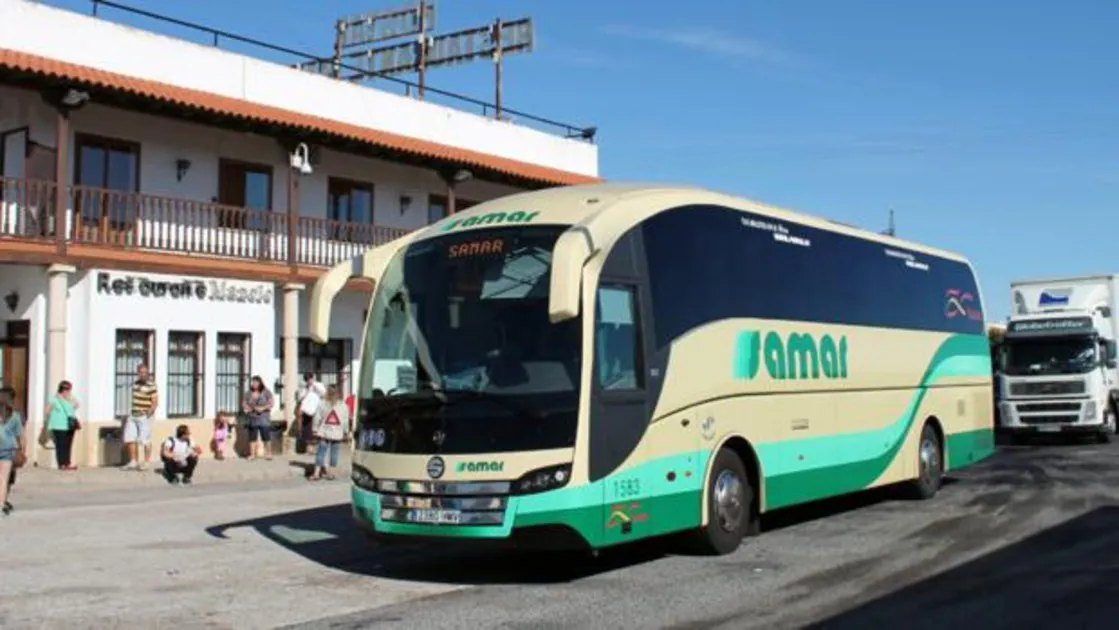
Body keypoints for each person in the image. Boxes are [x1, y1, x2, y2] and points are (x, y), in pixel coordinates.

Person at [310, 386, 350, 481]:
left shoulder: (323, 403)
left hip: (325, 433)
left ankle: (316, 474)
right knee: (334, 454)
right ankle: (330, 473)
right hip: (337, 434)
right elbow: (345, 421)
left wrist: (315, 429)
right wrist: (346, 432)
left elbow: (317, 417)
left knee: (321, 452)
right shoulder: (343, 405)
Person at [123, 364, 159, 471]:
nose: (143, 374)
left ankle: (147, 462)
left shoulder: (151, 385)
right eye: (141, 372)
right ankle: (133, 461)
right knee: (129, 438)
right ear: (138, 373)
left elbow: (155, 401)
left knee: (145, 440)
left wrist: (150, 411)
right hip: (133, 414)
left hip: (144, 416)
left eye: (145, 372)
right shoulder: (135, 384)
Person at [44, 380, 80, 470]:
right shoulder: (54, 399)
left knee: (68, 445)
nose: (68, 391)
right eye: (66, 389)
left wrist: (70, 398)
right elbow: (47, 411)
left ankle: (67, 463)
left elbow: (77, 405)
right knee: (61, 445)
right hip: (59, 426)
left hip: (70, 425)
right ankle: (62, 464)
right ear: (61, 389)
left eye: (69, 389)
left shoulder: (70, 399)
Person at [0, 389, 26, 516]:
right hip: (7, 449)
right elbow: (21, 436)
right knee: (3, 479)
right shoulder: (14, 415)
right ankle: (1, 505)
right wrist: (23, 451)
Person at [241, 376, 275, 461]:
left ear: (260, 383)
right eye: (253, 382)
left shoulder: (266, 392)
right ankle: (252, 455)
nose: (254, 384)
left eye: (256, 382)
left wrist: (262, 408)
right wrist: (249, 409)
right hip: (252, 418)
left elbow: (271, 403)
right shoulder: (248, 393)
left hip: (264, 418)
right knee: (252, 437)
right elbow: (244, 403)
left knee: (266, 436)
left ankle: (269, 454)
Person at [297, 373, 326, 453]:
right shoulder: (305, 388)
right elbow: (300, 398)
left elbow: (323, 392)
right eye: (308, 379)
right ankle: (308, 448)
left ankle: (315, 448)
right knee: (307, 430)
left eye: (310, 378)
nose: (309, 380)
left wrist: (314, 385)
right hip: (306, 410)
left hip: (316, 410)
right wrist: (306, 392)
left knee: (316, 429)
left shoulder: (318, 385)